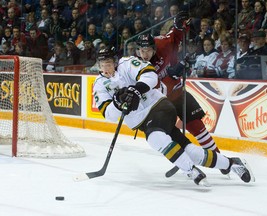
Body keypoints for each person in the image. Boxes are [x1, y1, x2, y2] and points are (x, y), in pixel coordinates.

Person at [92, 46, 255, 186]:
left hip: (159, 107)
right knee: (190, 151)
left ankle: (189, 170)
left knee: (155, 138)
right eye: (102, 64)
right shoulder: (99, 85)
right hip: (143, 122)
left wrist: (136, 90)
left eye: (108, 63)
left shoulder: (126, 64)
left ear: (115, 61)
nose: (105, 68)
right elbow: (109, 115)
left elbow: (150, 75)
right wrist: (117, 103)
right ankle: (232, 163)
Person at [136, 12, 229, 175]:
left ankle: (220, 160)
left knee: (197, 127)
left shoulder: (163, 44)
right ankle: (184, 160)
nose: (145, 55)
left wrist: (179, 25)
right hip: (160, 104)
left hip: (178, 93)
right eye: (141, 51)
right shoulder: (136, 67)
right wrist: (171, 75)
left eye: (148, 50)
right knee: (171, 135)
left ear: (154, 47)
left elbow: (176, 35)